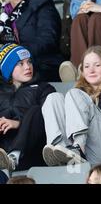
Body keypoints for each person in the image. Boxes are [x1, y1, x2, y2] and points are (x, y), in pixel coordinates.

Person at [41, 46, 101, 166]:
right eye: (87, 66)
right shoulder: (78, 94)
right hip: (90, 152)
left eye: (97, 65)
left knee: (75, 93)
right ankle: (59, 150)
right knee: (53, 98)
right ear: (82, 70)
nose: (91, 70)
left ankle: (78, 147)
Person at [0, 0, 63, 81]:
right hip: (14, 67)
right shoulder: (3, 15)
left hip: (43, 63)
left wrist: (19, 54)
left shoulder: (42, 4)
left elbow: (48, 39)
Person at [0, 44, 55, 172]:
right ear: (8, 68)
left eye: (29, 62)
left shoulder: (43, 88)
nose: (28, 67)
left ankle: (14, 156)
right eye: (20, 63)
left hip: (31, 154)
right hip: (3, 149)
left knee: (36, 111)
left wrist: (18, 123)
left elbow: (48, 120)